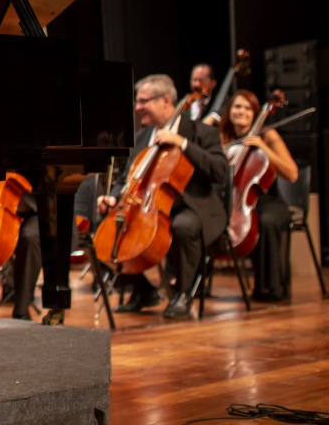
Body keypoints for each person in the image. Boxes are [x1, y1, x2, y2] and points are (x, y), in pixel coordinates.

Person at [97, 73, 229, 318]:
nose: (137, 108)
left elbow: (219, 171)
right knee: (107, 227)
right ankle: (143, 291)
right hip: (149, 206)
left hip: (193, 206)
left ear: (166, 101)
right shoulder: (142, 137)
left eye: (143, 101)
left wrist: (183, 144)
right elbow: (127, 177)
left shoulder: (201, 133)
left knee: (182, 226)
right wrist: (113, 198)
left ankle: (183, 294)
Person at [217, 89, 299, 301]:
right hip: (236, 200)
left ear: (255, 113)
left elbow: (291, 173)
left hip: (267, 200)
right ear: (230, 111)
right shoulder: (223, 135)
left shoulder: (267, 134)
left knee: (267, 221)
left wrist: (263, 146)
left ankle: (271, 287)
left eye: (247, 108)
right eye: (237, 107)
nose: (241, 111)